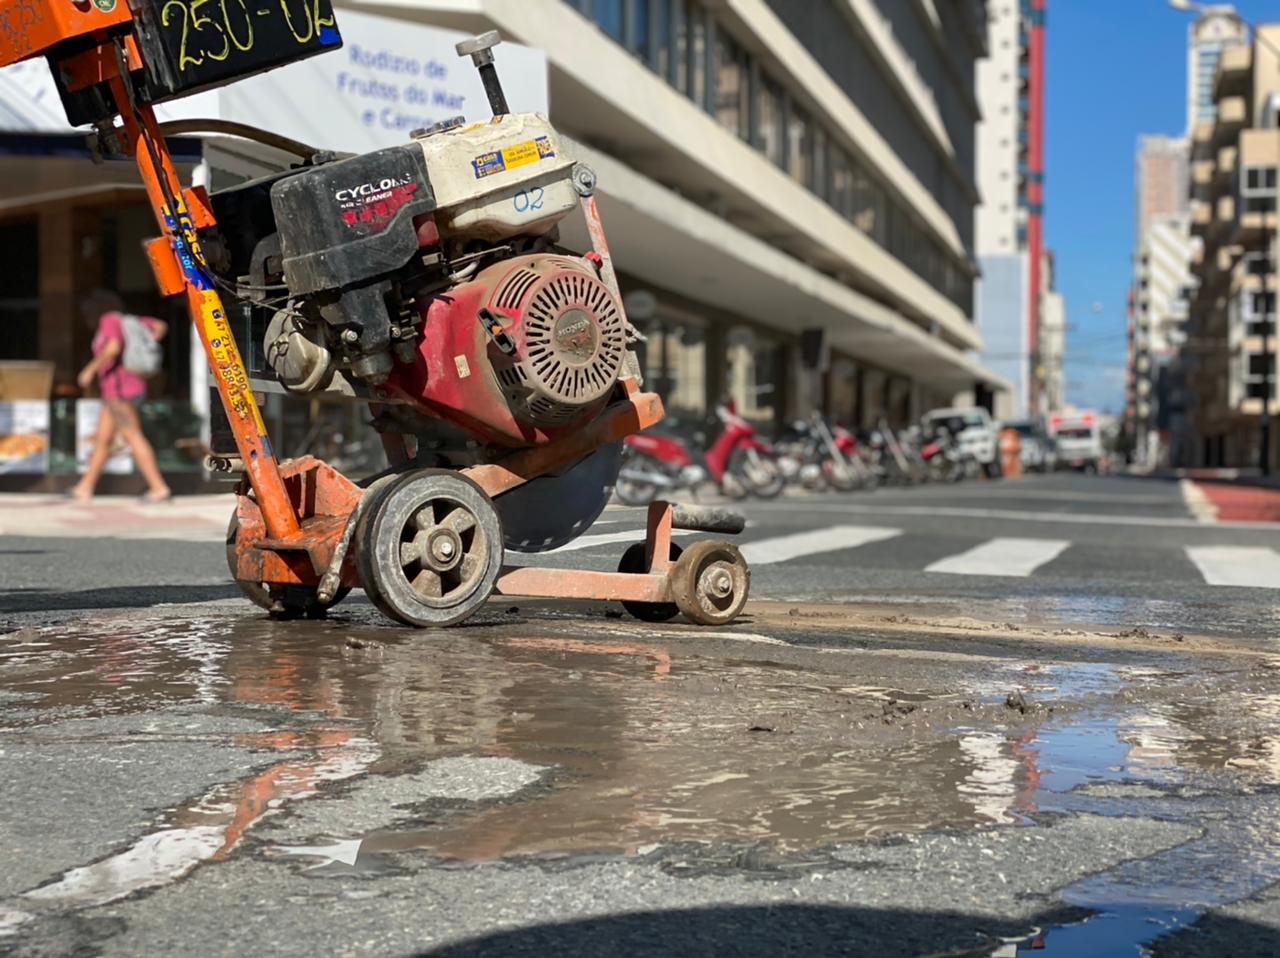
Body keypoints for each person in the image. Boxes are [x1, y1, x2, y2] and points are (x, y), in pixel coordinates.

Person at [69, 290, 171, 503]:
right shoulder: (130, 321)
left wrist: (89, 370)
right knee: (103, 439)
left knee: (132, 435)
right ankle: (84, 487)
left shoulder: (109, 319)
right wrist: (143, 345)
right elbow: (160, 326)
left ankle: (159, 487)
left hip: (120, 390)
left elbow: (113, 348)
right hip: (125, 388)